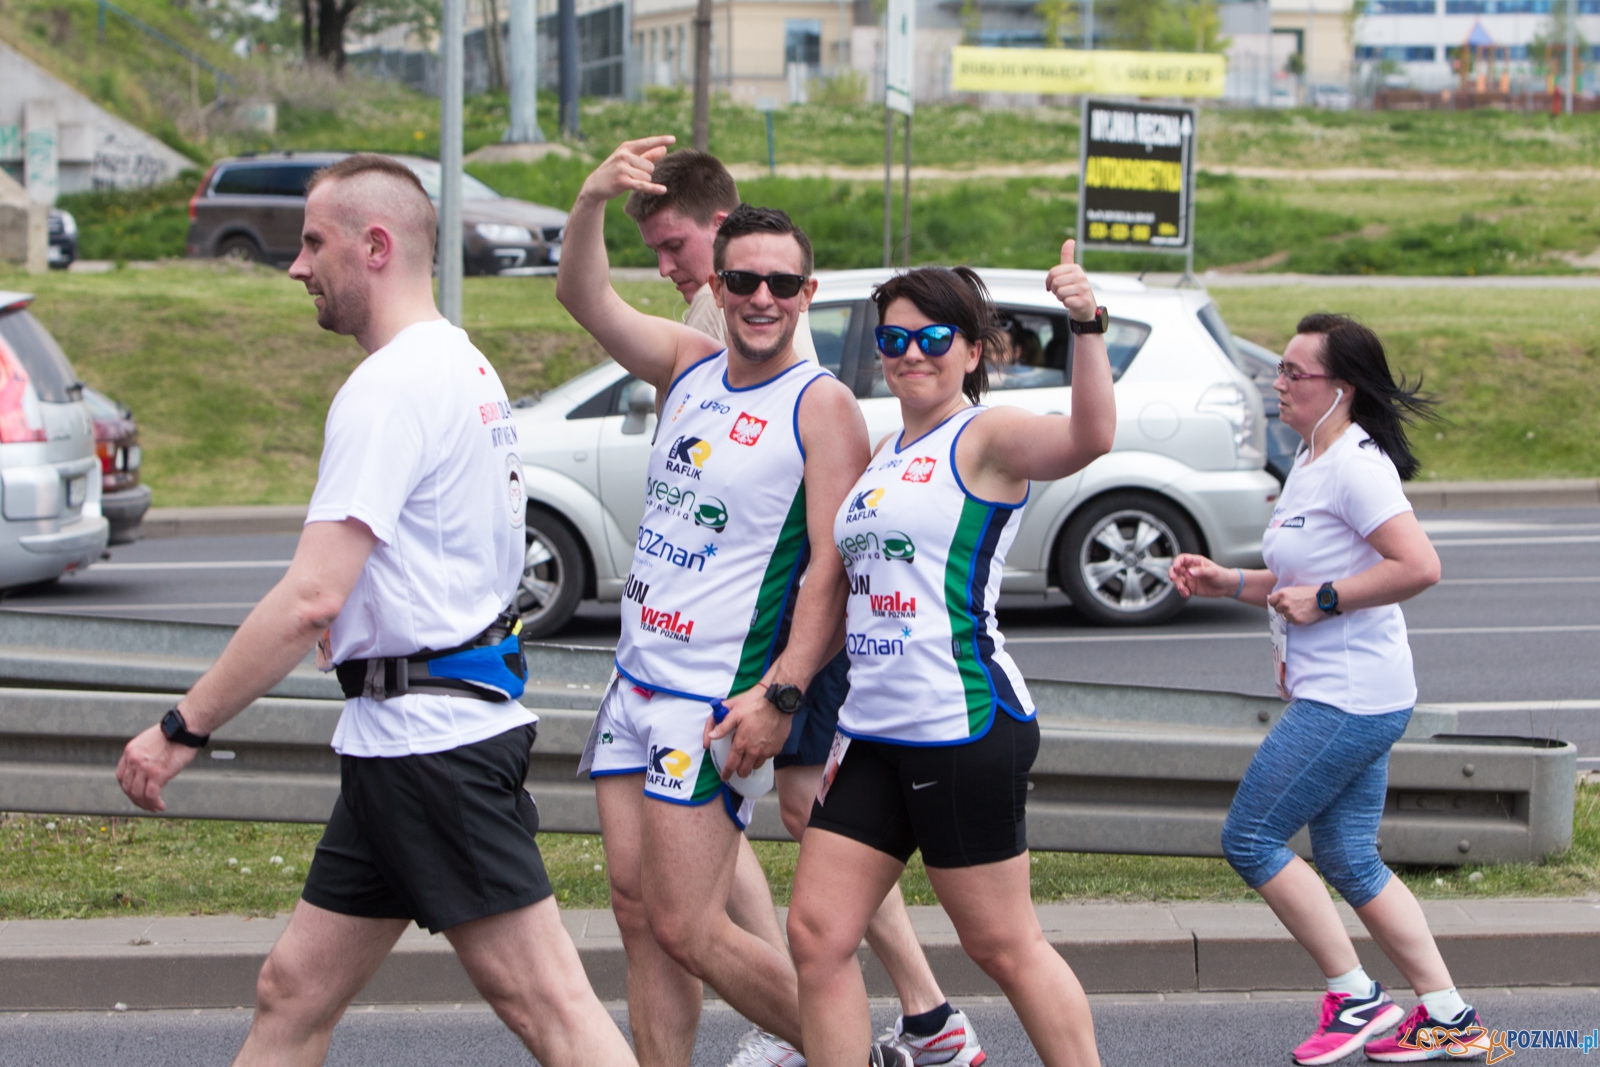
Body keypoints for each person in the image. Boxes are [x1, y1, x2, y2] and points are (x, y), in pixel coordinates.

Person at [113, 155, 637, 1067]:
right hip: (399, 734)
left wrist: (181, 724)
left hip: (430, 743)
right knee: (292, 990)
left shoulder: (390, 386)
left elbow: (311, 594)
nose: (297, 264)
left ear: (377, 245)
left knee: (550, 1006)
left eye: (315, 241)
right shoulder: (459, 362)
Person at [623, 145, 984, 1067]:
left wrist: (784, 683)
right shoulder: (716, 311)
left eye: (673, 248)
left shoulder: (745, 314)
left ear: (715, 234)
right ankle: (904, 1011)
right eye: (731, 276)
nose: (673, 269)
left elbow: (825, 548)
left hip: (782, 634)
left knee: (784, 823)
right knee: (757, 834)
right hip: (721, 649)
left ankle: (898, 1018)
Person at [559, 135, 892, 1067]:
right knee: (637, 914)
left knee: (689, 924)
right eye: (744, 281)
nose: (760, 300)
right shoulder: (689, 363)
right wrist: (589, 203)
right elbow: (583, 297)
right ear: (723, 279)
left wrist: (783, 693)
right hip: (635, 679)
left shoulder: (821, 405)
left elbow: (833, 567)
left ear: (807, 296)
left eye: (782, 286)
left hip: (711, 694)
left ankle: (854, 1052)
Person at [785, 245, 1116, 1067]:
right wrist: (781, 689)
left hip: (960, 723)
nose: (909, 356)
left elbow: (1089, 436)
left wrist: (1086, 323)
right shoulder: (884, 455)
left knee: (1002, 945)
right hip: (871, 730)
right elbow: (844, 592)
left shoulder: (985, 435)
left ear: (972, 351)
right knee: (817, 934)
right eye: (892, 341)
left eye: (932, 339)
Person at [1169, 314, 1488, 1065]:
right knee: (1348, 857)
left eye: (1292, 373)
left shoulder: (1356, 464)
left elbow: (1418, 564)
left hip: (1350, 697)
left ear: (1339, 388)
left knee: (1249, 837)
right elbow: (1299, 580)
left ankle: (1356, 998)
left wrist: (1331, 600)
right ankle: (1448, 1014)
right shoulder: (1313, 456)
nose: (1276, 383)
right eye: (1277, 370)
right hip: (1349, 691)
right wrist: (1230, 581)